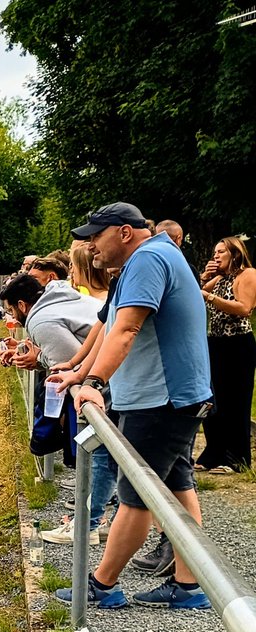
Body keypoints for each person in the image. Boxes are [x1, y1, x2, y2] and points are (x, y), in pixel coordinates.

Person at [51, 202, 212, 610]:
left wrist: (94, 383)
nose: (89, 247)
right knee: (175, 486)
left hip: (163, 399)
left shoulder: (150, 258)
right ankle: (188, 584)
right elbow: (106, 326)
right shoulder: (147, 258)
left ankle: (102, 586)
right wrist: (77, 371)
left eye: (95, 237)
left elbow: (127, 328)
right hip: (167, 396)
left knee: (136, 494)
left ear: (124, 232)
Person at [196, 236, 256, 472]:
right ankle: (214, 453)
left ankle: (236, 458)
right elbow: (195, 293)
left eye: (221, 252)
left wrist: (209, 296)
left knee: (236, 399)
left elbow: (244, 308)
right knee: (214, 399)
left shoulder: (248, 275)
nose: (216, 256)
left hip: (238, 344)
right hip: (216, 342)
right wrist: (203, 278)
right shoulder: (220, 278)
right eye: (214, 252)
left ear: (235, 253)